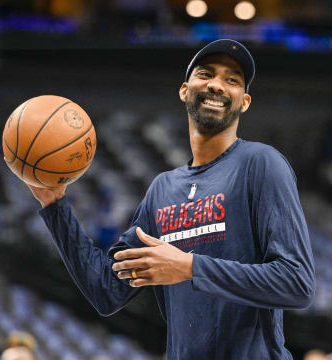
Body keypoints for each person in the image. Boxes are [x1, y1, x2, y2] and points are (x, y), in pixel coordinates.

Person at [27, 39, 315, 359]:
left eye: (232, 79)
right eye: (206, 74)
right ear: (184, 90)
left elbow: (296, 282)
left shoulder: (260, 164)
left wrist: (189, 267)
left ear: (244, 101)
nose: (217, 85)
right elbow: (106, 290)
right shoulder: (163, 189)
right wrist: (54, 205)